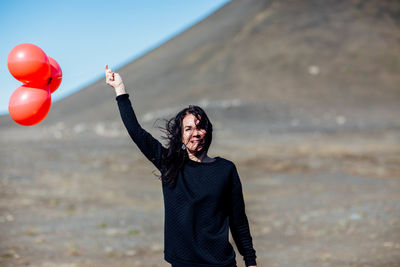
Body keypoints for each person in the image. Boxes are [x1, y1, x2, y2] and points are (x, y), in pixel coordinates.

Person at [105, 65, 257, 267]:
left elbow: (238, 220)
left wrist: (250, 261)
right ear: (181, 135)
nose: (195, 133)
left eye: (200, 127)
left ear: (208, 132)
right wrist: (120, 89)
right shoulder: (170, 164)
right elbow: (136, 131)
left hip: (221, 263)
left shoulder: (225, 169)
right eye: (189, 128)